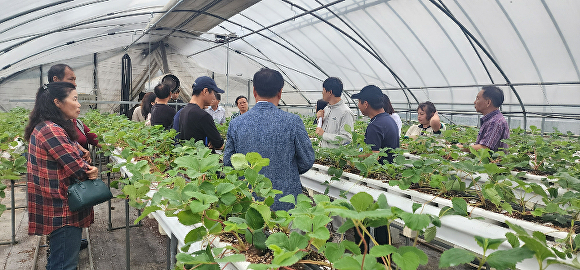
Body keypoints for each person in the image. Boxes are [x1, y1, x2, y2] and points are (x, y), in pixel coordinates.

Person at [24, 82, 100, 270]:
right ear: (57, 102)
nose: (79, 104)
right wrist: (91, 169)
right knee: (64, 264)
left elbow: (72, 154)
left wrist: (80, 154)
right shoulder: (51, 130)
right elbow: (80, 169)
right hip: (62, 209)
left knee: (60, 259)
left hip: (57, 203)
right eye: (74, 99)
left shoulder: (48, 126)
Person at [223, 68, 315, 211]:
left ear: (254, 91)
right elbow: (307, 160)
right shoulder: (293, 122)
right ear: (280, 92)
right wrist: (285, 170)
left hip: (249, 201)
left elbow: (229, 162)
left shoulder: (236, 123)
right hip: (286, 202)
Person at [352, 85, 399, 164]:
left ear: (366, 104)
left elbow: (374, 155)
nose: (358, 105)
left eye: (359, 102)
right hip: (390, 169)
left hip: (380, 171)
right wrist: (360, 149)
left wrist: (354, 155)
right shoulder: (389, 119)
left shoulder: (375, 126)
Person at [178, 76, 225, 149]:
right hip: (201, 158)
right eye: (214, 93)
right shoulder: (203, 116)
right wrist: (214, 143)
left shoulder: (184, 111)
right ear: (205, 91)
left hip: (188, 156)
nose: (214, 97)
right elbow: (220, 145)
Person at [459, 86, 509, 152]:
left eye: (478, 98)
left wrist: (457, 147)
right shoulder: (491, 119)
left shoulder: (495, 121)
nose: (474, 102)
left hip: (493, 162)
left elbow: (484, 148)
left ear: (488, 102)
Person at [315, 77, 354, 148]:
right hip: (323, 155)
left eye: (323, 90)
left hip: (335, 157)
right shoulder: (326, 109)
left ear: (330, 92)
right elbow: (320, 131)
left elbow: (347, 139)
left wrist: (324, 135)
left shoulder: (345, 112)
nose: (322, 92)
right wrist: (320, 120)